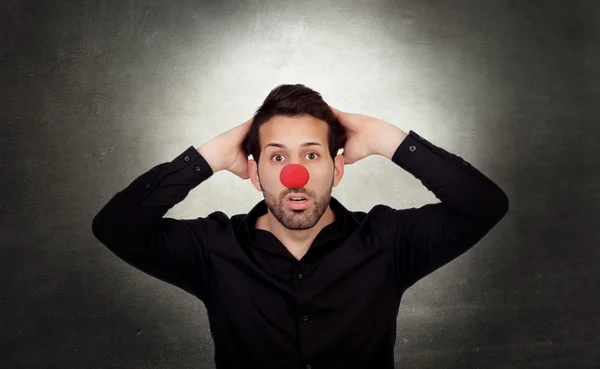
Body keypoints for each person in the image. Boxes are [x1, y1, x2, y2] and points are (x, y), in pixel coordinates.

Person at [92, 84, 509, 369]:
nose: (296, 174)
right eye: (277, 157)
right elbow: (115, 227)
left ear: (337, 168)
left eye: (312, 156)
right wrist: (209, 156)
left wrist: (390, 140)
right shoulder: (212, 249)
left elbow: (484, 205)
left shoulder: (388, 242)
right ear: (254, 175)